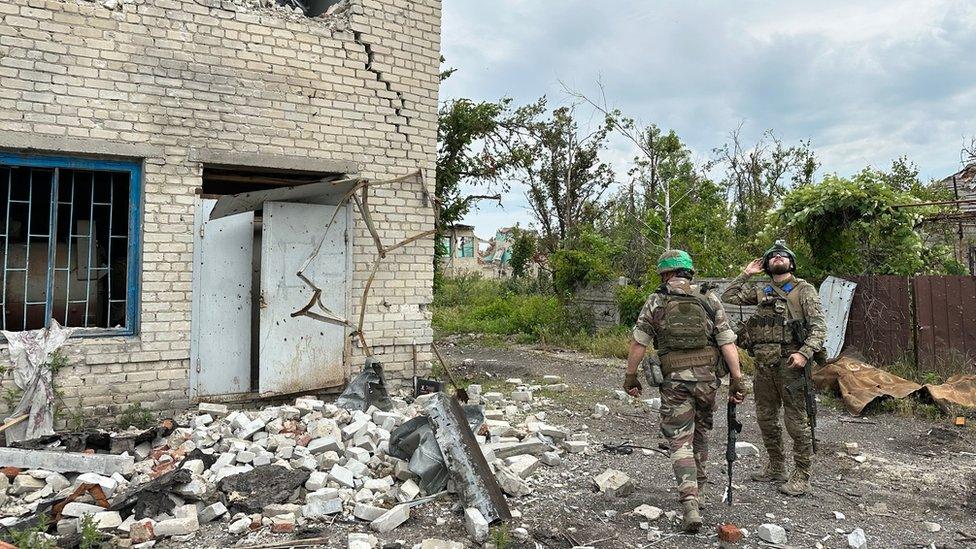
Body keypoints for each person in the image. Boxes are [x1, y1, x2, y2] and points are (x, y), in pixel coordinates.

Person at [623, 250, 746, 533]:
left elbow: (638, 343)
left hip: (675, 382)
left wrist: (630, 376)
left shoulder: (657, 300)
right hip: (707, 381)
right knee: (702, 433)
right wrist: (738, 379)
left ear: (665, 274)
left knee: (680, 441)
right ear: (689, 272)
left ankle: (689, 501)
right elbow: (727, 342)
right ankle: (699, 491)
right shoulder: (708, 297)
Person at [721, 240, 826, 496]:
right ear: (767, 265)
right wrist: (746, 274)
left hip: (791, 364)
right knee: (766, 418)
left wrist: (804, 353)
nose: (778, 258)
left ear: (791, 263)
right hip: (764, 366)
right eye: (773, 256)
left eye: (783, 255)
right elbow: (727, 297)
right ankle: (776, 466)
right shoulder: (762, 291)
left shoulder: (803, 290)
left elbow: (819, 328)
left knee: (797, 422)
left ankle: (801, 475)